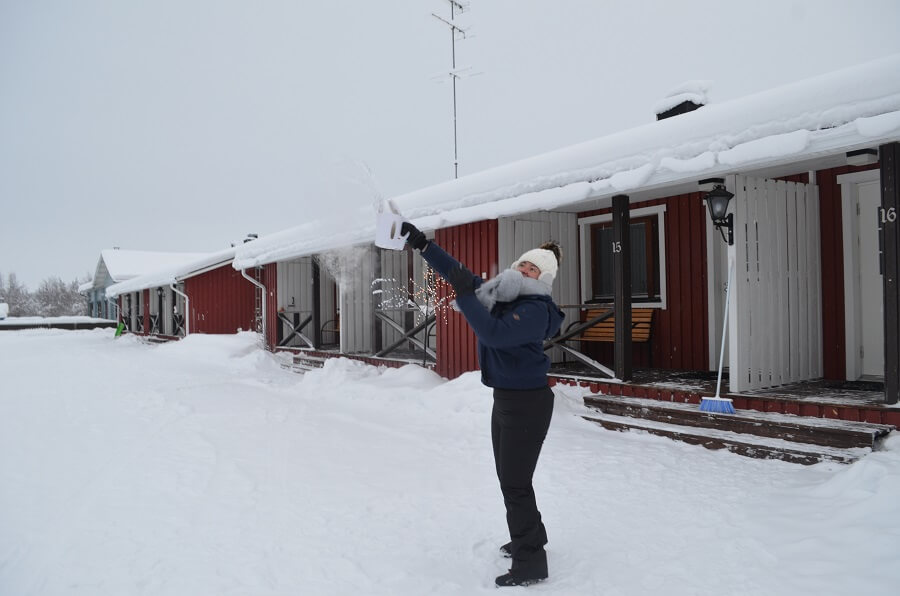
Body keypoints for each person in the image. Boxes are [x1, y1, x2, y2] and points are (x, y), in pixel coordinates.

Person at [401, 221, 564, 588]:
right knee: (511, 479)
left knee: (515, 483)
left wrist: (465, 295)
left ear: (544, 278)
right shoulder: (501, 294)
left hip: (528, 403)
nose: (524, 271)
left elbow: (494, 334)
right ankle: (531, 537)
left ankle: (531, 563)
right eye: (523, 264)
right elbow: (456, 272)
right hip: (505, 398)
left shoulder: (536, 308)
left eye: (533, 269)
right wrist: (422, 244)